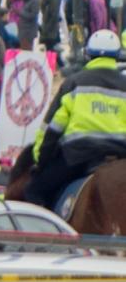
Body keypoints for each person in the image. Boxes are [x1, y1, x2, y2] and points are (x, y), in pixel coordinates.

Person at [26, 29, 126, 208]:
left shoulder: (74, 83)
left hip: (78, 156)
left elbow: (52, 128)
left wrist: (41, 161)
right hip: (121, 155)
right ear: (118, 56)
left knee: (35, 190)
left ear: (88, 54)